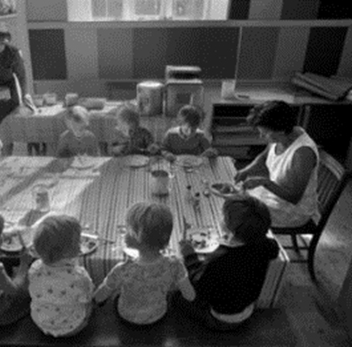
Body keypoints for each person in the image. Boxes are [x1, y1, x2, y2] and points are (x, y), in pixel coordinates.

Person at [178, 195, 279, 331]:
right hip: (246, 309)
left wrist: (189, 256)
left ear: (229, 227)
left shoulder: (220, 258)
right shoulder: (266, 245)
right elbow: (274, 248)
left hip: (222, 319)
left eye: (224, 217)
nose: (221, 219)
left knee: (177, 298)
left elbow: (197, 285)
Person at [94, 202, 195, 325]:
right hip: (158, 316)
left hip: (127, 317)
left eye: (127, 230)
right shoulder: (175, 265)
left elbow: (99, 297)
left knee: (116, 297)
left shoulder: (122, 269)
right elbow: (190, 296)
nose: (124, 233)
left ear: (138, 237)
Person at [234, 100, 319, 228]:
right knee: (235, 199)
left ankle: (251, 244)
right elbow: (263, 157)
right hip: (275, 196)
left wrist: (264, 182)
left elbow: (294, 197)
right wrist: (246, 170)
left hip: (294, 211)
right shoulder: (283, 135)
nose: (261, 136)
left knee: (239, 212)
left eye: (264, 133)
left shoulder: (302, 153)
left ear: (281, 130)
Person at [28, 214, 94, 337]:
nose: (80, 243)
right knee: (89, 304)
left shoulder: (34, 268)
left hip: (41, 322)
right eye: (78, 241)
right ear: (70, 251)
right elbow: (87, 298)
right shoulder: (79, 276)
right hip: (72, 327)